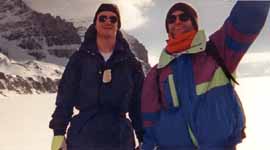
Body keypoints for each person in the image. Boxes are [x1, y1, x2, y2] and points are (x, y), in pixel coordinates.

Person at [141, 1, 269, 150]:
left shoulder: (218, 51)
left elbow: (246, 19)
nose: (177, 21)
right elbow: (150, 123)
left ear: (194, 23)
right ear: (167, 28)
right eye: (171, 19)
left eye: (184, 17)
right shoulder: (157, 73)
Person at [49, 3, 144, 150]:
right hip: (82, 140)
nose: (107, 21)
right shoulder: (79, 59)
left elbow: (138, 106)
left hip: (120, 141)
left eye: (113, 19)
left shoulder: (131, 64)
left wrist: (144, 139)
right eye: (102, 18)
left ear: (118, 26)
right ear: (95, 23)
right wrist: (58, 135)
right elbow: (65, 98)